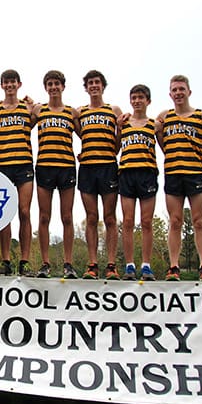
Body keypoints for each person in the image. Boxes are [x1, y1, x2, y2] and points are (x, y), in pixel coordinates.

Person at [157, 75, 202, 282]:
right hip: (173, 173)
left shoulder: (201, 116)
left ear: (189, 92)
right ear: (170, 94)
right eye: (174, 90)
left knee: (199, 221)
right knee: (175, 222)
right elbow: (152, 131)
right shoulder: (164, 116)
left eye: (181, 89)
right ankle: (174, 267)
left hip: (195, 173)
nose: (178, 93)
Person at [31, 70, 81, 279]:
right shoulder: (38, 110)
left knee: (67, 217)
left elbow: (85, 135)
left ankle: (68, 264)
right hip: (44, 166)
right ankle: (45, 263)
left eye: (56, 84)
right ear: (46, 88)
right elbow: (23, 128)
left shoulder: (72, 112)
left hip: (66, 166)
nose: (53, 87)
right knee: (44, 217)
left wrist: (85, 152)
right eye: (50, 84)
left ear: (63, 87)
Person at [77, 70, 122, 280]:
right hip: (87, 168)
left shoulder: (114, 110)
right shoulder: (80, 112)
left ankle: (111, 264)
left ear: (103, 86)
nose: (94, 86)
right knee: (91, 217)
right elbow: (80, 133)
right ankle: (93, 263)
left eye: (97, 82)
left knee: (110, 217)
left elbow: (119, 140)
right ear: (86, 88)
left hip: (108, 166)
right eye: (90, 83)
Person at [0, 69, 36, 276]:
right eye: (6, 82)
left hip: (24, 164)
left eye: (12, 82)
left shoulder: (29, 108)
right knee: (4, 215)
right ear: (2, 85)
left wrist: (33, 104)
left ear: (19, 84)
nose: (9, 85)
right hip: (2, 165)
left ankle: (24, 261)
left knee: (24, 212)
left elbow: (40, 118)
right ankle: (6, 261)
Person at [117, 84, 158, 281]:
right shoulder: (123, 123)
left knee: (147, 221)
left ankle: (147, 266)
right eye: (133, 97)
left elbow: (167, 146)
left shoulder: (155, 124)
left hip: (147, 173)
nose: (137, 101)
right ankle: (130, 265)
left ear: (148, 100)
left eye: (141, 97)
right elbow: (115, 146)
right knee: (127, 221)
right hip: (126, 173)